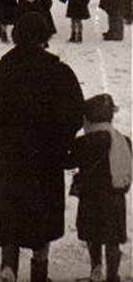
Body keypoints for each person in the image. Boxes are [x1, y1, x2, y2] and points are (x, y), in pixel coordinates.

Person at [0, 12, 84, 282]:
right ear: (45, 36)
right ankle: (39, 272)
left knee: (10, 211)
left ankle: (8, 268)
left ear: (16, 35)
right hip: (46, 158)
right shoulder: (59, 71)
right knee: (42, 215)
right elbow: (74, 112)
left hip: (8, 157)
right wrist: (60, 139)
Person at [66, 94, 131, 282]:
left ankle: (96, 269)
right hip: (116, 198)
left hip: (91, 198)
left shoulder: (85, 141)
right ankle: (113, 275)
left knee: (93, 236)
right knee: (113, 240)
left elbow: (68, 161)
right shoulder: (124, 140)